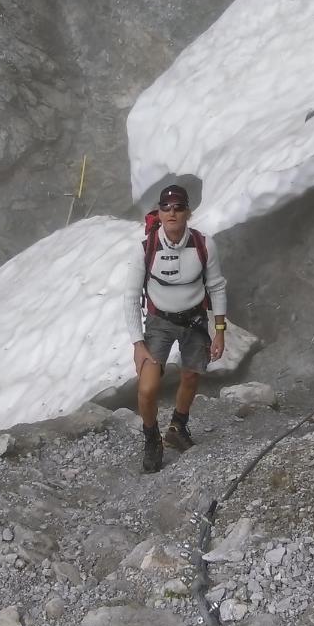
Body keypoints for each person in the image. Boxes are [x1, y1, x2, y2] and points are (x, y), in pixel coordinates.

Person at [124, 184, 227, 473]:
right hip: (159, 322)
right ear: (158, 212)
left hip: (194, 319)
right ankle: (151, 437)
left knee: (192, 376)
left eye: (178, 207)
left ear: (188, 213)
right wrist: (137, 344)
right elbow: (131, 297)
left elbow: (217, 287)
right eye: (166, 208)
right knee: (147, 389)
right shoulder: (146, 248)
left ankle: (177, 427)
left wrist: (219, 329)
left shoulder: (204, 245)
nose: (172, 213)